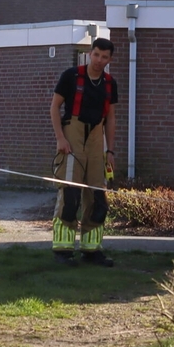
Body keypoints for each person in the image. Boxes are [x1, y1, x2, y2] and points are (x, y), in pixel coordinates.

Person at [49, 37, 119, 267]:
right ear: (91, 53)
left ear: (110, 59)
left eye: (105, 57)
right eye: (97, 54)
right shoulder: (71, 76)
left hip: (97, 138)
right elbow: (54, 107)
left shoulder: (110, 84)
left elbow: (110, 118)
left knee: (98, 197)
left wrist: (110, 150)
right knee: (70, 195)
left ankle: (92, 251)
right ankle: (63, 251)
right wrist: (60, 138)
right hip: (73, 134)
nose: (100, 60)